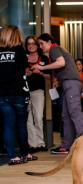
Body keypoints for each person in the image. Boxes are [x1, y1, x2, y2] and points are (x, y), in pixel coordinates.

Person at [31, 33, 83, 155]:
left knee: (74, 111)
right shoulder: (56, 50)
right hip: (68, 84)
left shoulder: (54, 49)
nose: (40, 46)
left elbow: (61, 63)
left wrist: (42, 68)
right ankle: (66, 145)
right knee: (66, 115)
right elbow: (57, 70)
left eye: (42, 43)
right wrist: (41, 73)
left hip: (71, 83)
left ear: (49, 42)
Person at [0, 25, 38, 165]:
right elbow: (25, 70)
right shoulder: (20, 51)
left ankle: (12, 156)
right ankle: (25, 153)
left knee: (8, 125)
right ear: (16, 36)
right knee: (21, 125)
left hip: (2, 94)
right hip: (18, 93)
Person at [25, 35, 50, 153]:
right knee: (29, 119)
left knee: (38, 117)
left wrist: (39, 72)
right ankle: (32, 144)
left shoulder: (44, 58)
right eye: (28, 44)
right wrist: (25, 74)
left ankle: (40, 143)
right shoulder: (23, 58)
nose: (31, 46)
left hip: (38, 91)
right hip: (24, 91)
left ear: (37, 45)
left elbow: (50, 76)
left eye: (33, 43)